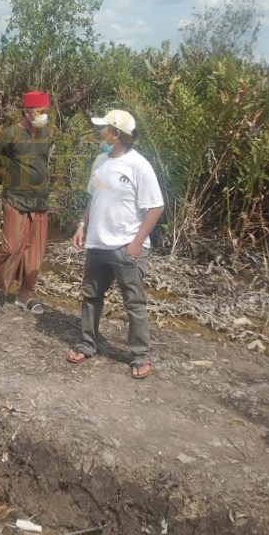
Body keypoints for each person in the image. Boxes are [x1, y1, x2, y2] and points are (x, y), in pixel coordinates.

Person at [66, 109, 164, 379]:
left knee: (134, 303)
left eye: (104, 129)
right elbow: (94, 197)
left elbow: (155, 207)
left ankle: (139, 355)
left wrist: (136, 244)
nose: (100, 133)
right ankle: (87, 343)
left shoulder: (139, 166)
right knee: (90, 297)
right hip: (97, 245)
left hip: (126, 248)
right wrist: (82, 225)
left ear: (117, 135)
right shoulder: (100, 160)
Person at [0, 91, 51, 313]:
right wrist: (7, 181)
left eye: (46, 111)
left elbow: (42, 163)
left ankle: (23, 296)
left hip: (39, 202)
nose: (44, 115)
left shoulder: (45, 133)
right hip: (15, 199)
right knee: (10, 246)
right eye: (40, 111)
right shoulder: (9, 134)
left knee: (34, 256)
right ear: (27, 112)